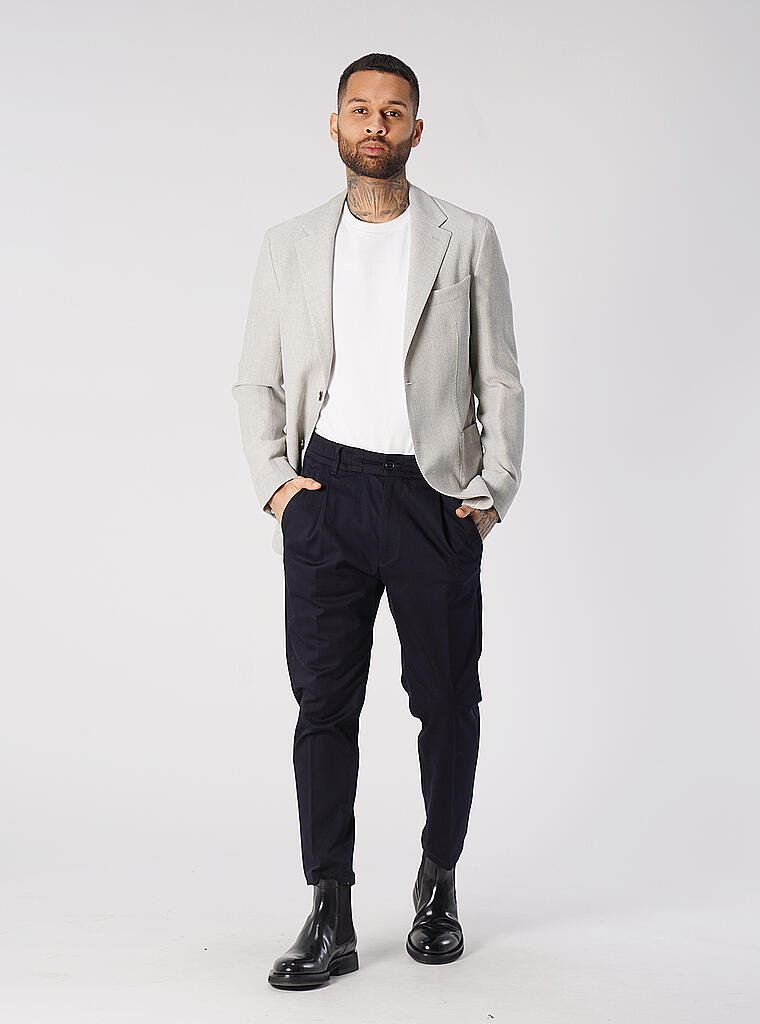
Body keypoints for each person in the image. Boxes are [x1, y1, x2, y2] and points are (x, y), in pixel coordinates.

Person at [231, 52, 525, 989]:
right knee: (324, 707)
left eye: (393, 112)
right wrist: (278, 487)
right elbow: (256, 378)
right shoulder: (288, 243)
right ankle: (331, 910)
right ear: (335, 125)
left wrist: (490, 493)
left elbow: (499, 376)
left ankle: (439, 883)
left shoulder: (464, 238)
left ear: (416, 129)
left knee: (447, 700)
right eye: (359, 110)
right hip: (328, 493)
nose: (375, 125)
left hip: (433, 498)